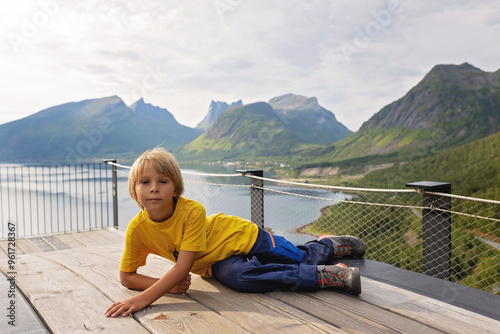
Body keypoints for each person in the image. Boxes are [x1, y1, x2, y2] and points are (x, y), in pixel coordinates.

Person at [105, 148, 365, 318]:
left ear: (175, 189)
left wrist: (144, 300)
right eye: (145, 182)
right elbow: (126, 276)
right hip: (216, 263)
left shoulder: (191, 211)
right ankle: (327, 276)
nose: (153, 188)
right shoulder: (138, 230)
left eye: (162, 181)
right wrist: (167, 288)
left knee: (300, 258)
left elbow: (182, 268)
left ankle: (327, 246)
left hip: (244, 236)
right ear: (134, 191)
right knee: (241, 278)